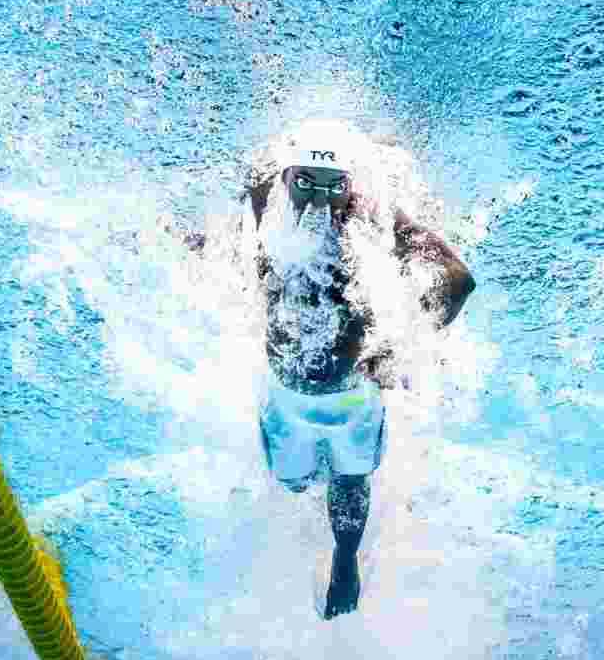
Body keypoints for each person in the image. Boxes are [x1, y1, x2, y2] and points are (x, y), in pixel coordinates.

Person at [183, 119, 475, 619]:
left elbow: (457, 280)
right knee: (293, 484)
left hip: (351, 394)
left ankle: (345, 560)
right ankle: (315, 509)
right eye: (306, 183)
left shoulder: (369, 216)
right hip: (286, 392)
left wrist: (400, 346)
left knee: (348, 481)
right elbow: (221, 245)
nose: (319, 199)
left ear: (350, 186)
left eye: (333, 187)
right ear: (286, 175)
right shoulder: (264, 202)